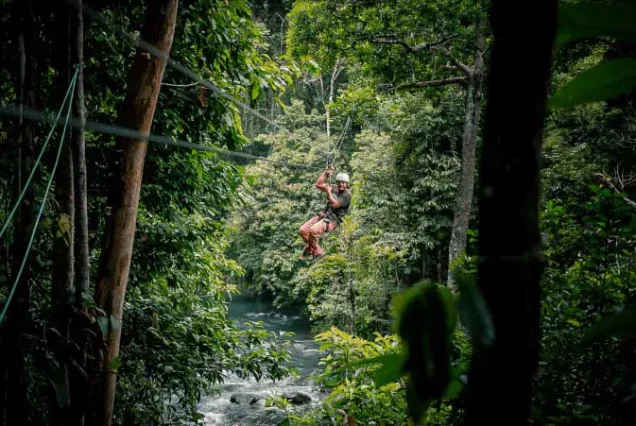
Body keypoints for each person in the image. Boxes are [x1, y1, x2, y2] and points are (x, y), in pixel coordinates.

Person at [299, 168, 352, 261]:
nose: (341, 185)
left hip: (333, 220)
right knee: (303, 230)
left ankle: (313, 249)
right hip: (324, 214)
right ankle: (315, 249)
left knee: (312, 231)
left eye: (343, 183)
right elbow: (318, 184)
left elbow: (335, 205)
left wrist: (328, 193)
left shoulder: (347, 195)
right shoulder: (334, 188)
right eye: (339, 182)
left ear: (347, 184)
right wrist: (326, 174)